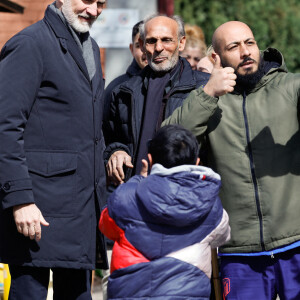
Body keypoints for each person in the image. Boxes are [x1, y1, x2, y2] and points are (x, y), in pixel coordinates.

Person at [163, 20, 300, 299]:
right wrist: (208, 93)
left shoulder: (291, 87)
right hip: (238, 251)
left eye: (249, 43)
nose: (246, 51)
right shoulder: (207, 101)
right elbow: (170, 142)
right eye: (234, 47)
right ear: (216, 57)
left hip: (296, 243)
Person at [0, 0, 107, 299]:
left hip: (80, 210)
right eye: (87, 0)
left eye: (101, 3)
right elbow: (5, 126)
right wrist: (20, 199)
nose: (94, 10)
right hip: (36, 212)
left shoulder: (90, 46)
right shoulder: (30, 44)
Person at [99, 124, 230, 300]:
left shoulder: (126, 196)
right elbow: (223, 236)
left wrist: (138, 181)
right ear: (197, 162)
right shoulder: (211, 204)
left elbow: (106, 226)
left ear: (150, 160)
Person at [104, 14, 210, 186]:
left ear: (181, 43)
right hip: (137, 194)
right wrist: (115, 151)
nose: (159, 47)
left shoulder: (204, 88)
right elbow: (111, 139)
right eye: (151, 41)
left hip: (187, 194)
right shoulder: (123, 92)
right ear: (143, 46)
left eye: (167, 40)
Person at [103, 20, 148, 117]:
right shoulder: (116, 89)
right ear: (132, 49)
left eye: (150, 42)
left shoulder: (174, 83)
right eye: (139, 45)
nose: (145, 50)